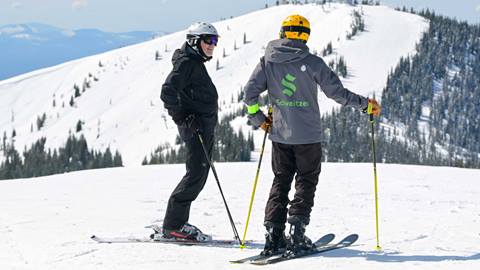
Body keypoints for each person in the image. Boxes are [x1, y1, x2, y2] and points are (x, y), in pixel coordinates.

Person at [243, 14, 380, 255]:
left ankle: (274, 235)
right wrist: (365, 105)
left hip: (280, 137)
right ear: (305, 35)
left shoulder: (268, 61)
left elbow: (249, 96)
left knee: (280, 181)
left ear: (283, 32)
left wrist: (260, 120)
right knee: (306, 180)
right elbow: (337, 94)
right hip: (308, 136)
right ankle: (297, 233)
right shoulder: (313, 62)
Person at [159, 22, 220, 241]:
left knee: (199, 175)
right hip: (196, 128)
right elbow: (167, 92)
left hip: (202, 126)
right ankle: (173, 225)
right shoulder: (187, 63)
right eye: (208, 40)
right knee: (195, 174)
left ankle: (175, 223)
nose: (213, 45)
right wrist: (184, 118)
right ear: (195, 41)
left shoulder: (194, 62)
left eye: (215, 41)